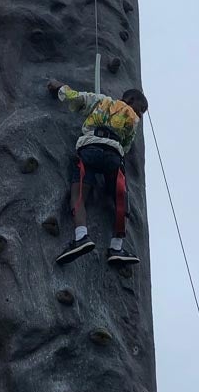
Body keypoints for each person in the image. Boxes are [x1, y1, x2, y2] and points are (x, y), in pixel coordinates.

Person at [47, 80, 148, 267]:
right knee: (120, 199)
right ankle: (116, 247)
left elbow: (76, 98)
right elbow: (126, 146)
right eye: (141, 109)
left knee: (78, 194)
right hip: (113, 157)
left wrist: (59, 87)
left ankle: (81, 236)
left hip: (90, 149)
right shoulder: (132, 121)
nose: (140, 115)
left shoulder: (102, 101)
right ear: (130, 99)